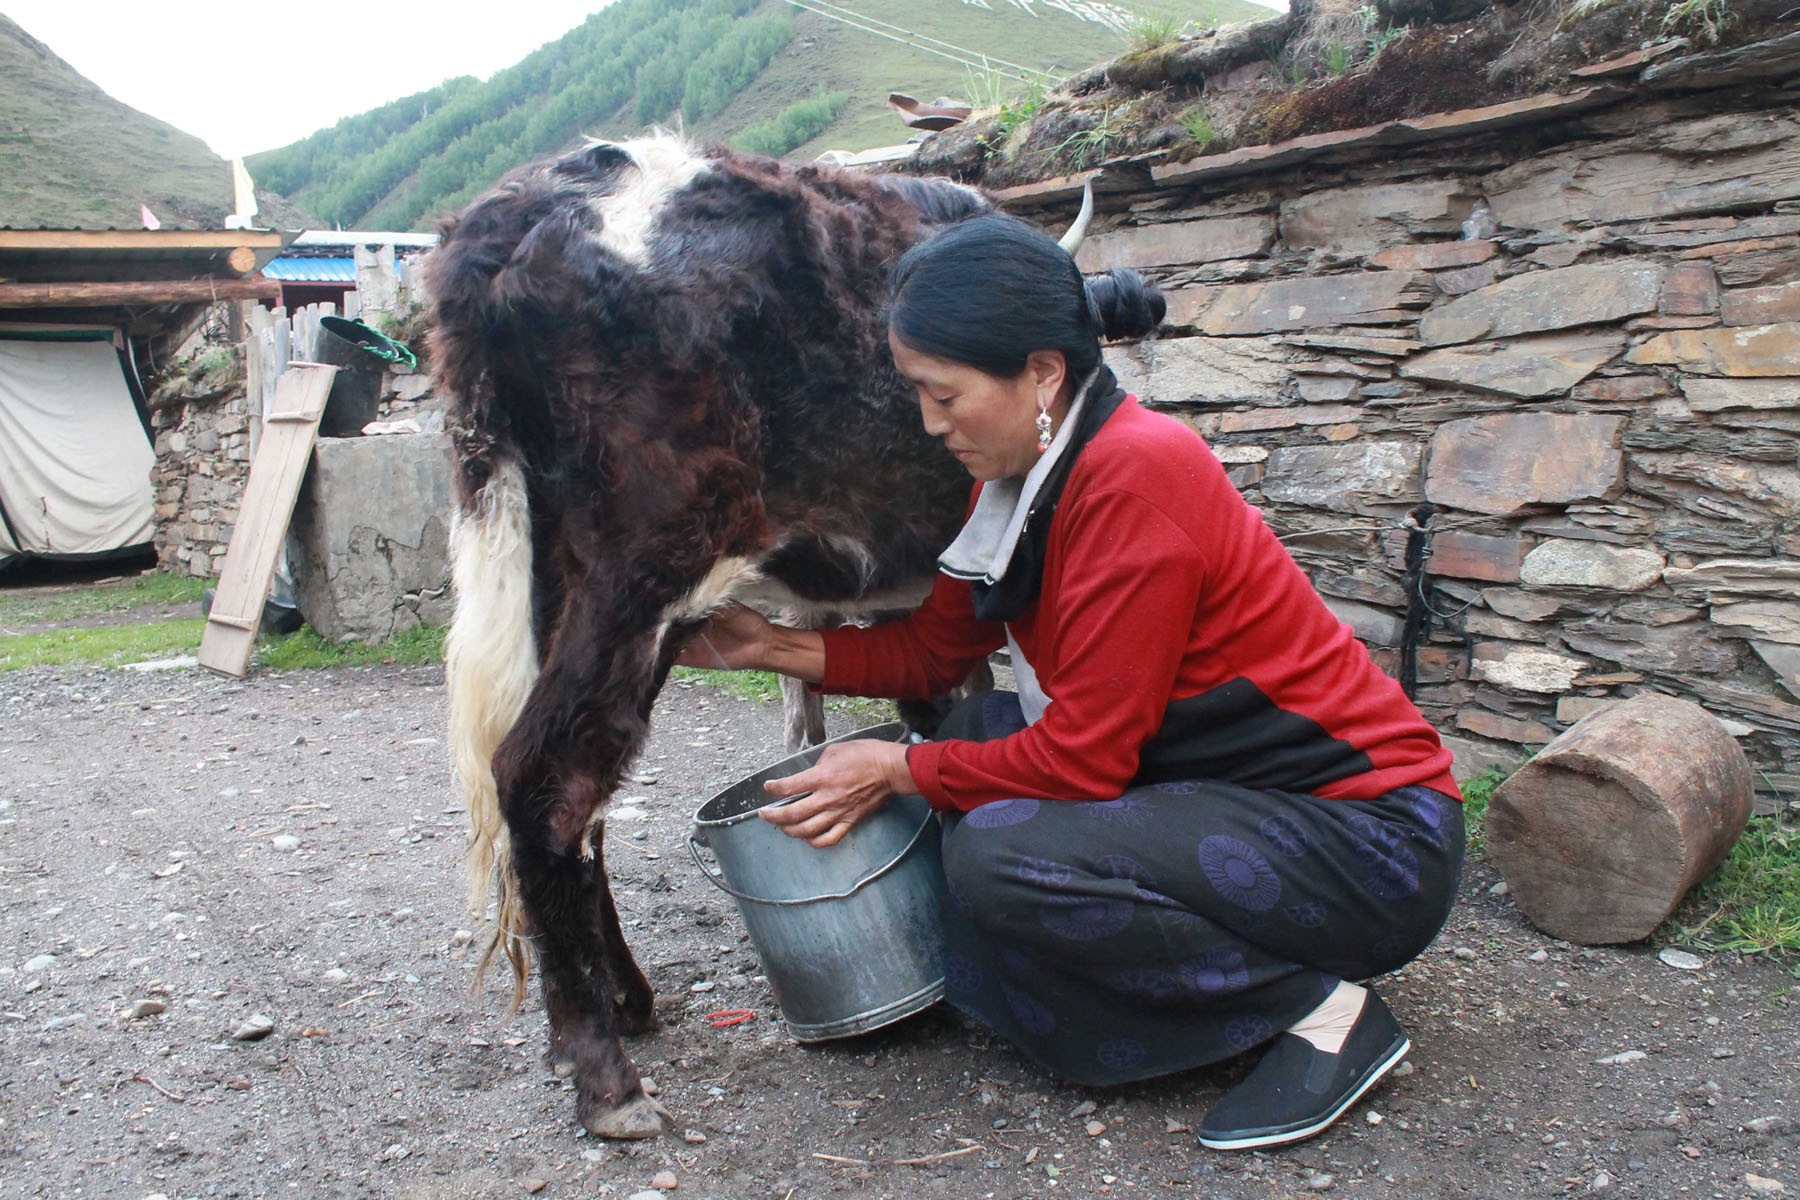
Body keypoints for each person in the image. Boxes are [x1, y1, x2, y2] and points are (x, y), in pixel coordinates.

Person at [677, 214, 1463, 1152]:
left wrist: (892, 771)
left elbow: (1085, 757)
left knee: (1002, 853)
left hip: (1366, 838)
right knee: (976, 724)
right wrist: (767, 645)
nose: (931, 425)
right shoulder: (1017, 475)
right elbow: (933, 654)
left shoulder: (1135, 476)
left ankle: (1323, 1014)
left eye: (944, 395)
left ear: (1042, 373)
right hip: (1223, 790)